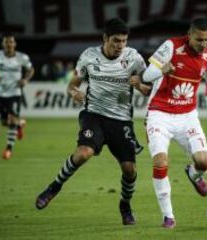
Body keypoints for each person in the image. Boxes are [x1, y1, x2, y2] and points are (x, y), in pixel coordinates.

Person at [35, 18, 151, 226]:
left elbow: (152, 90)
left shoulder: (135, 58)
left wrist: (141, 86)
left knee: (129, 170)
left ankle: (125, 204)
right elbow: (72, 85)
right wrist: (74, 93)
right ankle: (54, 187)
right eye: (116, 41)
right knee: (83, 153)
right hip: (94, 115)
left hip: (121, 120)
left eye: (124, 41)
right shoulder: (89, 56)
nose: (120, 46)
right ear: (105, 38)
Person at [132, 18, 207, 228]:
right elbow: (146, 75)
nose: (204, 44)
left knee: (204, 162)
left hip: (187, 116)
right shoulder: (171, 46)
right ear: (189, 34)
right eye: (199, 39)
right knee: (160, 162)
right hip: (159, 113)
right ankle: (168, 216)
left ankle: (193, 173)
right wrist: (162, 70)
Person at [0, 34, 34, 159]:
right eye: (6, 42)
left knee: (12, 119)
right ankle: (19, 125)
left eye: (11, 42)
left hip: (15, 93)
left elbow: (31, 70)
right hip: (1, 93)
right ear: (3, 44)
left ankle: (8, 149)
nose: (9, 44)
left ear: (14, 44)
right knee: (4, 122)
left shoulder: (22, 57)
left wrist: (25, 80)